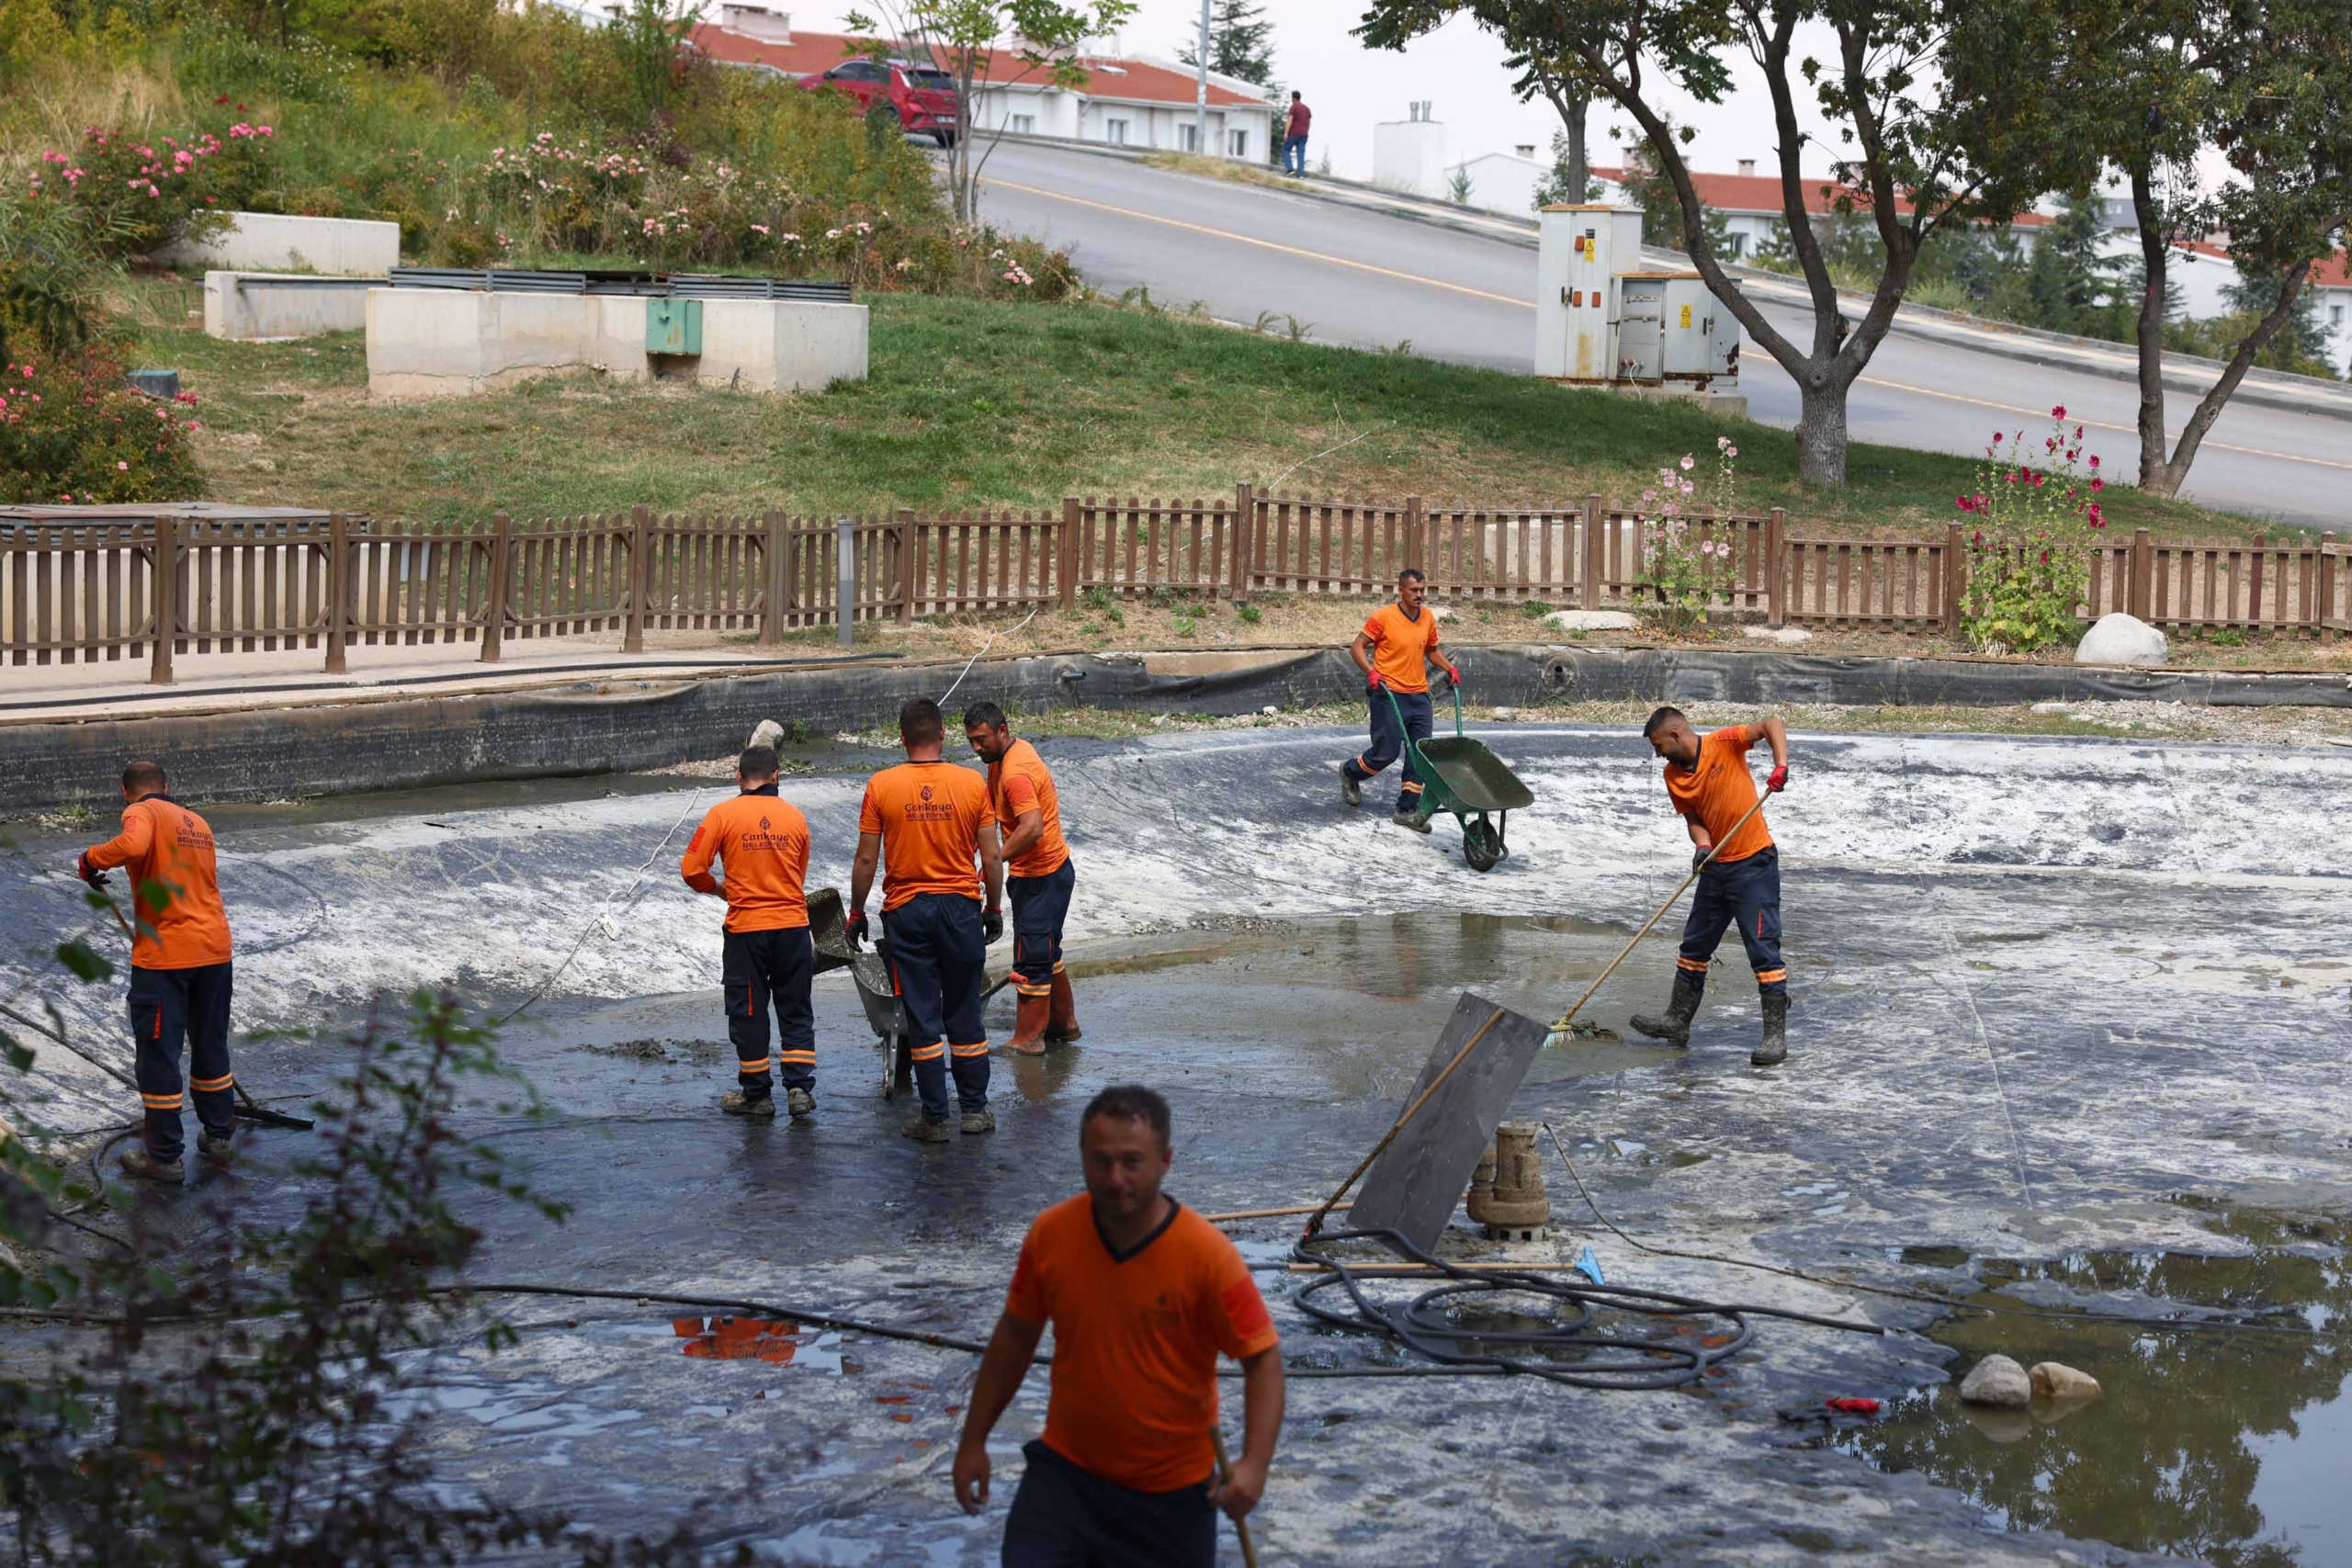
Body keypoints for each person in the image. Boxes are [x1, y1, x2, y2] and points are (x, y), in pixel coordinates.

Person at [953, 1085, 1283, 1566]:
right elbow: (1015, 1337)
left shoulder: (1206, 1256)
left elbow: (1263, 1359)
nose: (1115, 1178)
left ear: (1165, 1161)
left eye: (1133, 1162)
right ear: (1083, 1158)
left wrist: (1254, 1465)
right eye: (1100, 1161)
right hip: (1065, 1481)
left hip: (1171, 1498)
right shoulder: (1052, 1234)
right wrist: (973, 1441)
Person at [850, 697, 1007, 1142]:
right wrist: (992, 908)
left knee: (921, 1013)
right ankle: (974, 1111)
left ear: (902, 738)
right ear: (942, 735)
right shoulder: (971, 783)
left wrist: (856, 912)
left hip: (907, 912)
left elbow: (866, 860)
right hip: (960, 908)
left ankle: (934, 1119)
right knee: (964, 1011)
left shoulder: (881, 786)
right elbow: (992, 857)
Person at [74, 760, 236, 1181]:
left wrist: (90, 860)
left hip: (166, 958)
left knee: (159, 1055)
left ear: (126, 792)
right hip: (215, 950)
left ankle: (164, 1159)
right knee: (210, 1043)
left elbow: (132, 846)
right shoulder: (197, 822)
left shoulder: (141, 812)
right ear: (168, 785)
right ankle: (219, 1137)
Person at [1627, 707, 1792, 1066]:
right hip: (1716, 868)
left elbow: (1772, 724)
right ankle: (1677, 1021)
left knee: (1763, 950)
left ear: (1675, 734)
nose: (1658, 755)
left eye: (1659, 746)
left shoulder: (1724, 742)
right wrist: (1702, 847)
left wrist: (1780, 766)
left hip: (1754, 865)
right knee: (1694, 945)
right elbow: (1695, 820)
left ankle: (1774, 1038)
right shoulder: (1673, 775)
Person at [680, 744, 818, 1119]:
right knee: (796, 1009)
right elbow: (797, 876)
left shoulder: (722, 814)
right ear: (777, 776)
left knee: (750, 1013)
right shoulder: (795, 818)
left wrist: (721, 888)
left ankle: (757, 1097)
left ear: (739, 778)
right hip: (792, 927)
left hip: (747, 930)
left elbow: (691, 869)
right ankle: (800, 1090)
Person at [965, 701, 1080, 1056]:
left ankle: (1028, 1040)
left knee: (1031, 957)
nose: (976, 748)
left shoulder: (1014, 773)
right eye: (971, 740)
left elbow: (1031, 828)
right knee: (1047, 951)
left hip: (1041, 878)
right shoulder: (1010, 753)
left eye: (981, 739)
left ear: (1002, 730)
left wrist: (994, 861)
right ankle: (1064, 1025)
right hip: (1052, 873)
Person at [1339, 567, 1462, 831]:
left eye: (1422, 590)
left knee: (1420, 755)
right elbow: (1357, 646)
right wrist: (1371, 672)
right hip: (1388, 694)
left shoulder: (1427, 617)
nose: (1419, 595)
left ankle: (1406, 810)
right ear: (1401, 590)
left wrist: (1448, 668)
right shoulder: (1383, 617)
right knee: (1386, 753)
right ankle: (1351, 771)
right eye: (1414, 590)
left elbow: (1432, 651)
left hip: (1418, 696)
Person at [1282, 91, 1311, 175]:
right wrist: (1306, 132)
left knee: (1286, 149)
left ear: (1293, 98)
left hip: (1294, 134)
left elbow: (1290, 120)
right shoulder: (1306, 108)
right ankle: (1300, 173)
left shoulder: (1293, 107)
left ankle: (1290, 169)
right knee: (1300, 153)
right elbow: (1309, 122)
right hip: (1304, 135)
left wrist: (1286, 133)